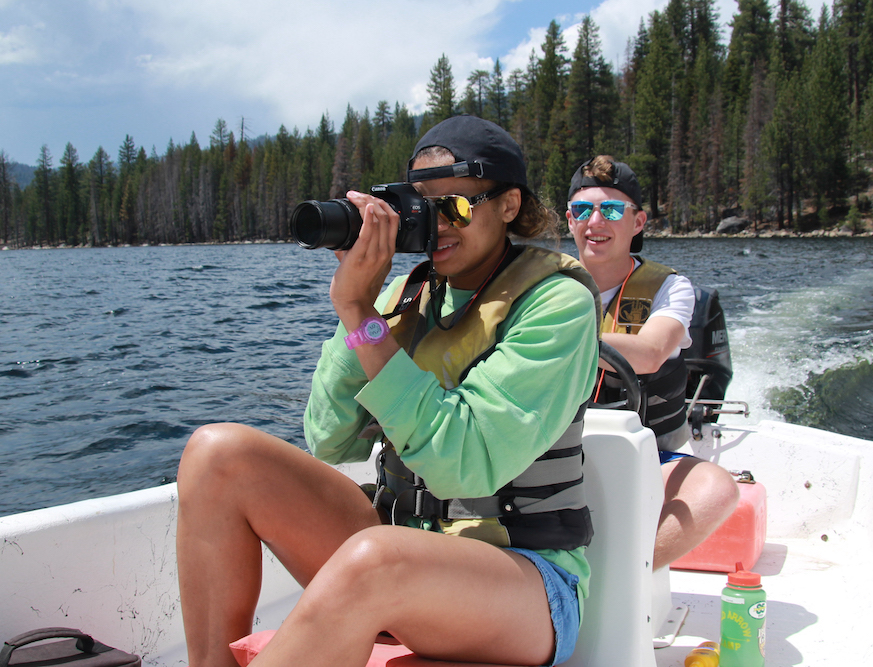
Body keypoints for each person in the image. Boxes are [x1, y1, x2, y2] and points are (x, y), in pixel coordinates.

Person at [176, 116, 601, 667]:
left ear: (509, 205)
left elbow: (463, 464)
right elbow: (328, 440)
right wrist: (365, 307)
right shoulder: (405, 296)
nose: (436, 224)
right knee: (218, 455)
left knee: (376, 558)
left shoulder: (556, 303)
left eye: (457, 206)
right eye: (420, 207)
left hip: (526, 584)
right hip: (402, 551)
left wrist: (357, 312)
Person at [565, 155, 739, 570]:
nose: (595, 223)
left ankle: (621, 578)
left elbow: (651, 353)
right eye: (582, 210)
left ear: (638, 222)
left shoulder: (671, 288)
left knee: (716, 490)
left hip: (645, 455)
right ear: (569, 220)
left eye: (610, 210)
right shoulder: (540, 285)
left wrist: (553, 339)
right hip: (552, 451)